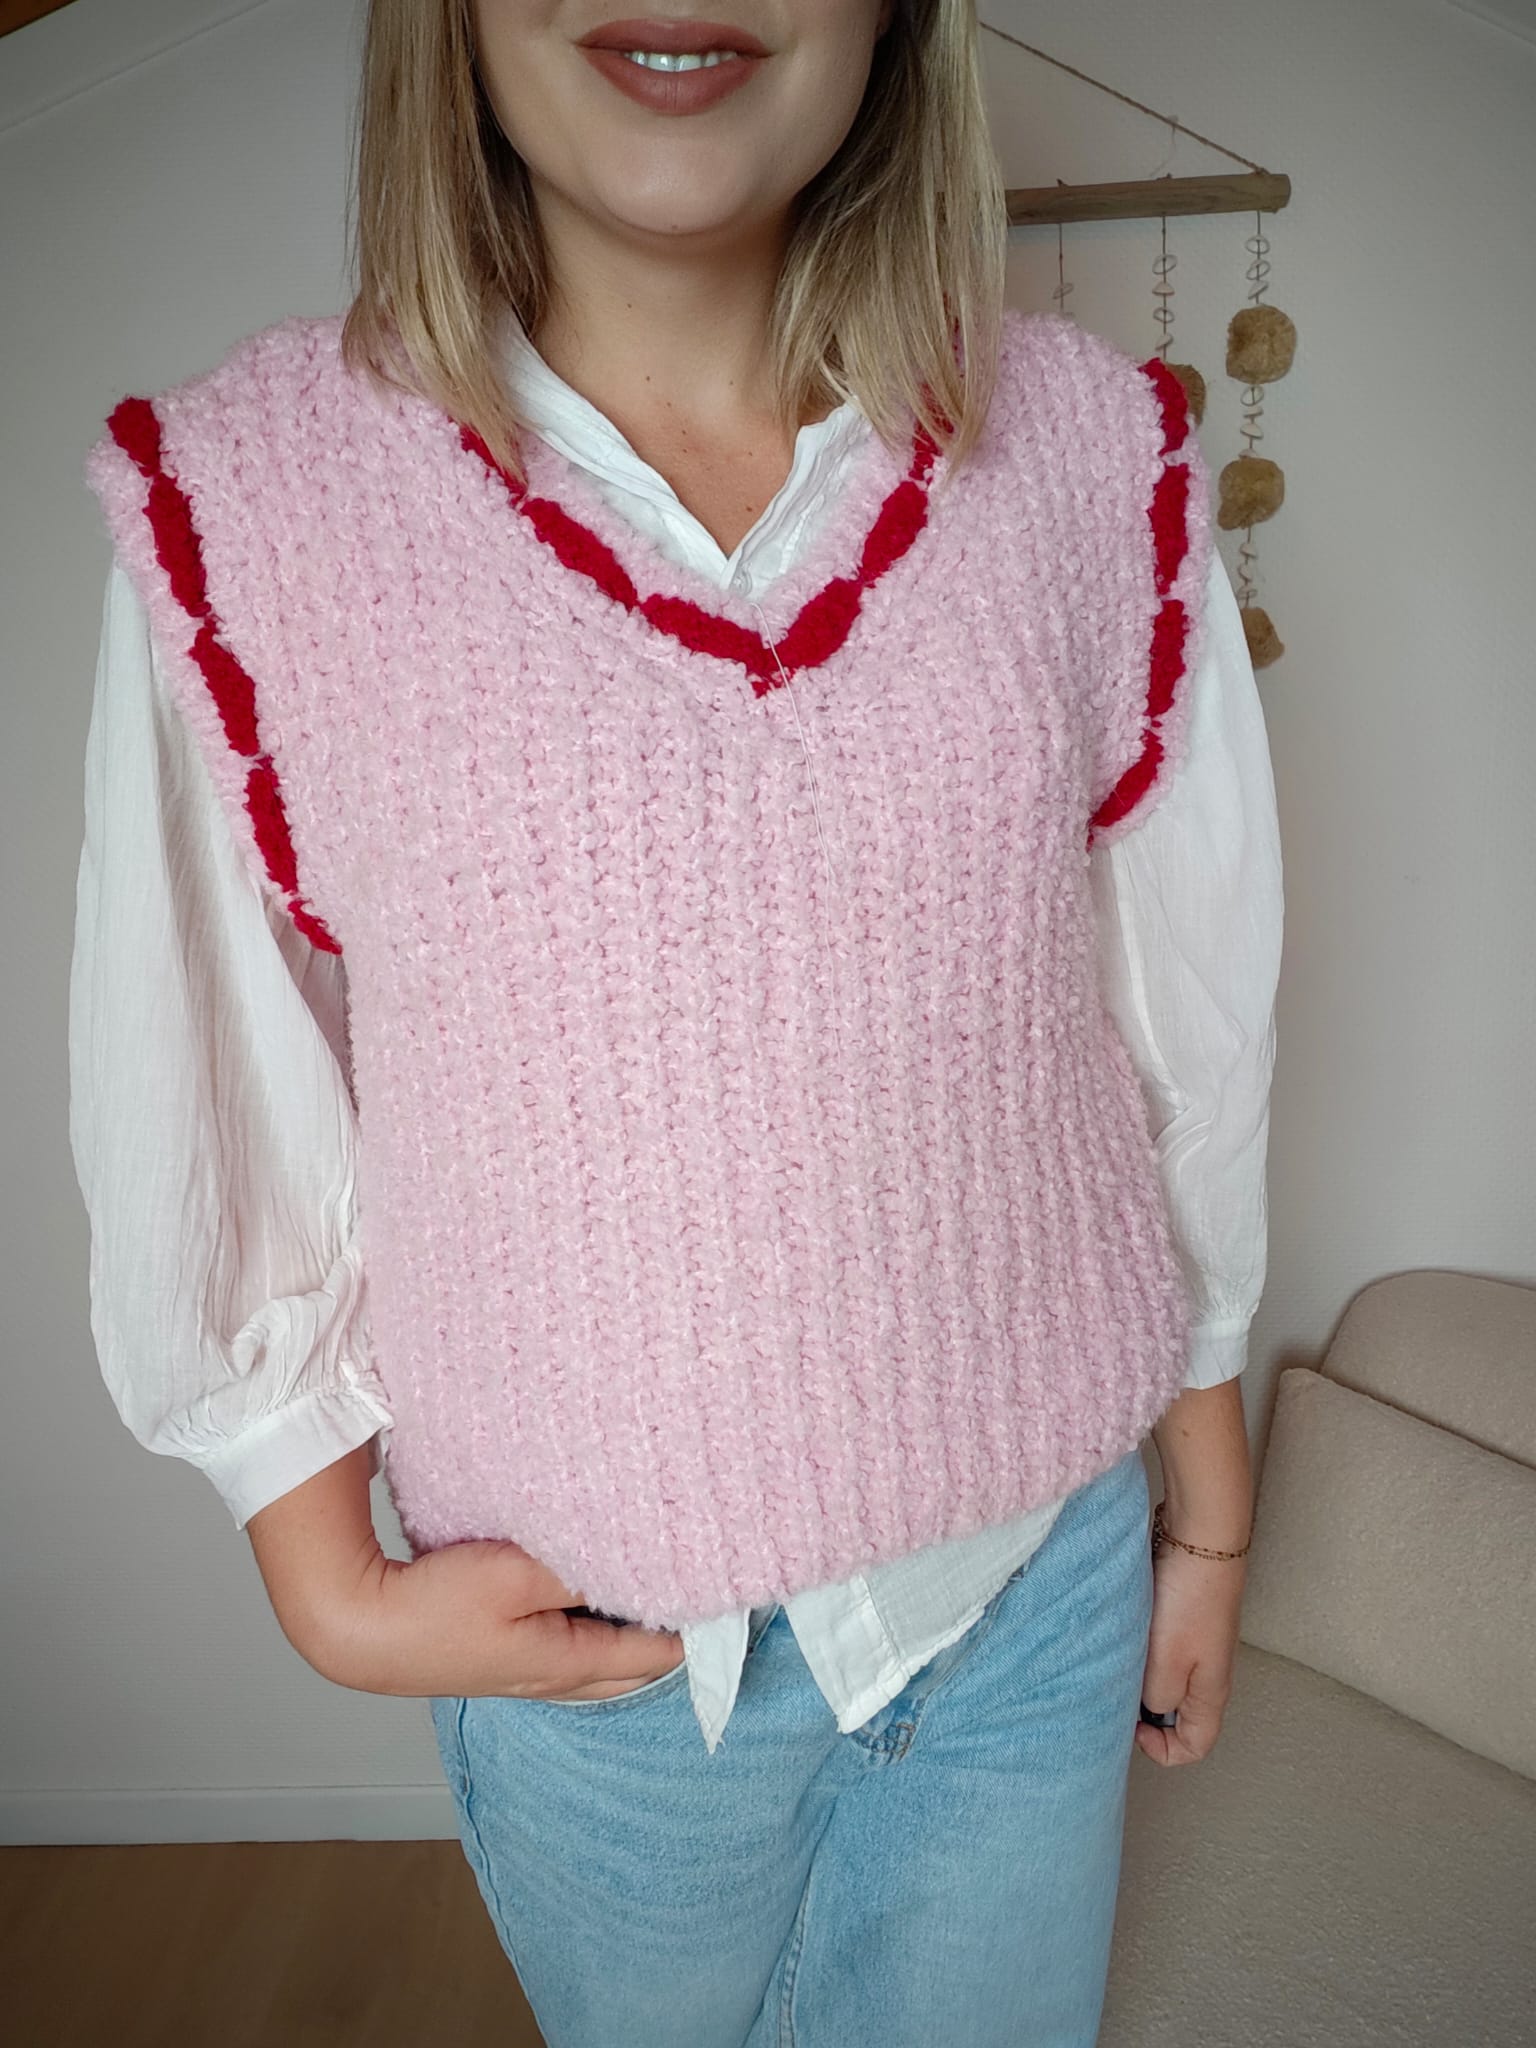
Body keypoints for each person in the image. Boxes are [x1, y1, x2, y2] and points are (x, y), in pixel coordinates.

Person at [69, 3, 1282, 2043]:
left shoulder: (1092, 461)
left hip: (1039, 1596)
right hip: (612, 1679)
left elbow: (1185, 1018)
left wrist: (1213, 1512)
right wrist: (322, 1576)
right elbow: (203, 1062)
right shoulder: (258, 506)